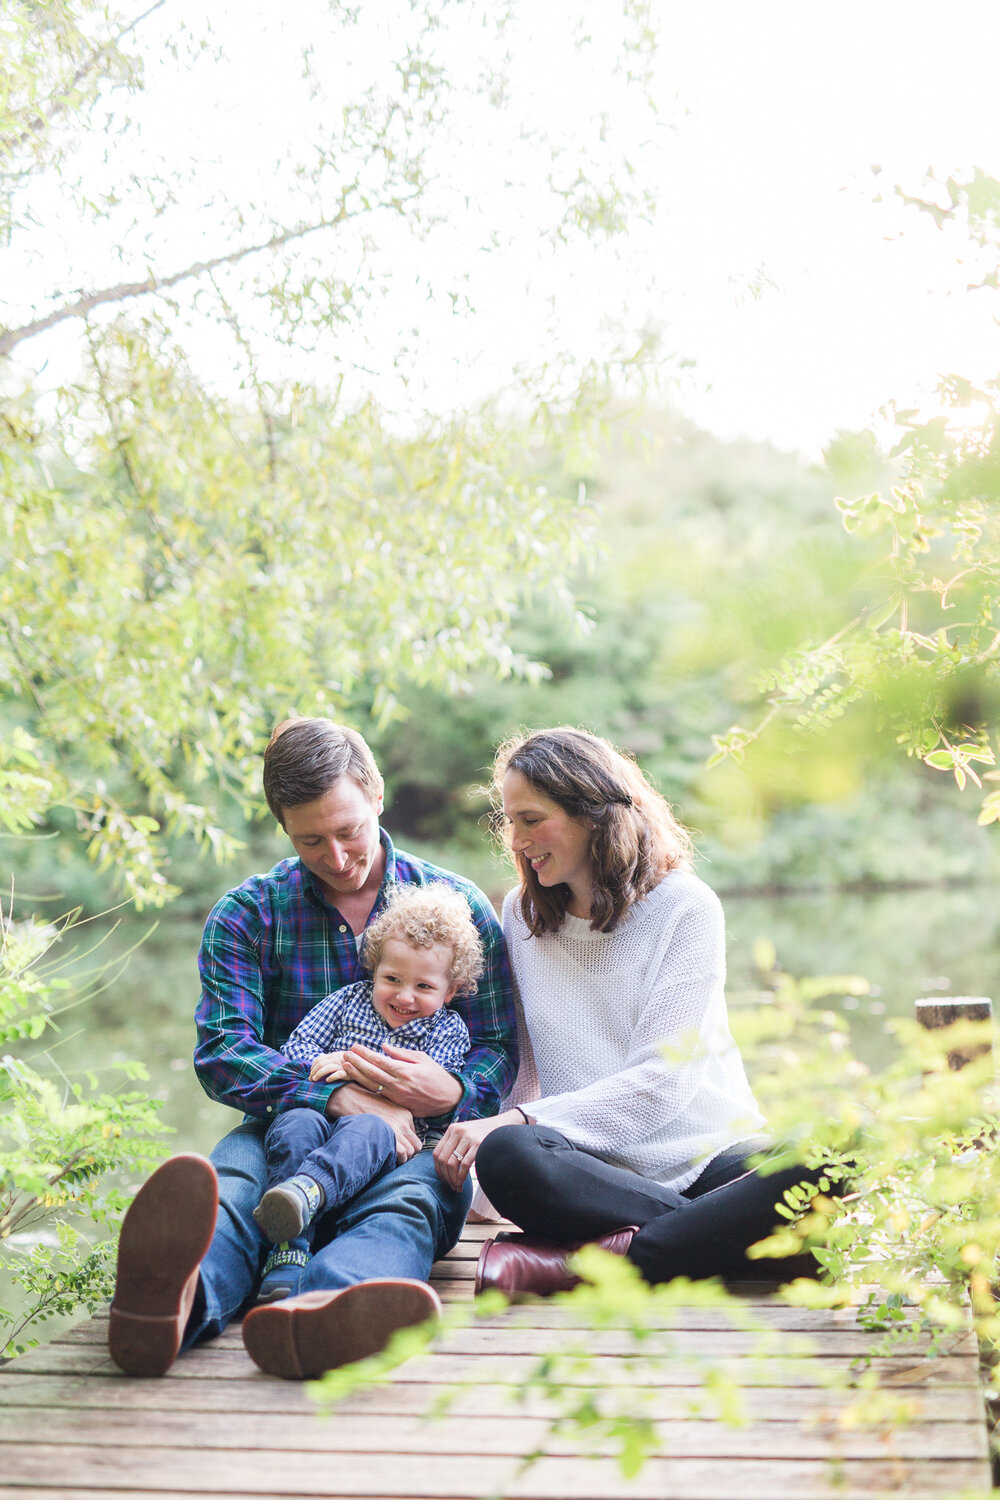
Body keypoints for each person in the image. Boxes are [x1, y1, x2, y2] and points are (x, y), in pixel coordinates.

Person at [108, 717, 516, 1380]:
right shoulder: (248, 916)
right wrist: (336, 1095)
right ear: (282, 826)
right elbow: (222, 1051)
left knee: (403, 1208)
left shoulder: (456, 909)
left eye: (348, 829)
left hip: (415, 1138)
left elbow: (497, 1041)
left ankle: (330, 1307)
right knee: (238, 1190)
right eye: (310, 839)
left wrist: (458, 1093)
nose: (337, 855)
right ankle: (174, 1307)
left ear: (376, 794)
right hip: (287, 1125)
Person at [432, 726, 831, 1294]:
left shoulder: (686, 908)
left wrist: (524, 1119)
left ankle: (585, 1264)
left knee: (834, 1153)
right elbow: (520, 1066)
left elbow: (665, 1081)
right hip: (590, 1176)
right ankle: (728, 1242)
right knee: (508, 1154)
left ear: (592, 814)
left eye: (531, 818)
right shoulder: (522, 915)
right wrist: (491, 1165)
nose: (515, 840)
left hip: (714, 1161)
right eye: (509, 820)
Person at [251, 883, 481, 1304]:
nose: (404, 996)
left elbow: (423, 1099)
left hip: (384, 1139)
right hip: (323, 1119)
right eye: (391, 978)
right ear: (374, 970)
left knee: (372, 1126)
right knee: (294, 1122)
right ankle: (287, 1254)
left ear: (449, 991)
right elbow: (297, 1050)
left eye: (424, 987)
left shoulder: (447, 1029)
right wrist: (334, 1064)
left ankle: (308, 1192)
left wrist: (351, 1069)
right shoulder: (346, 1002)